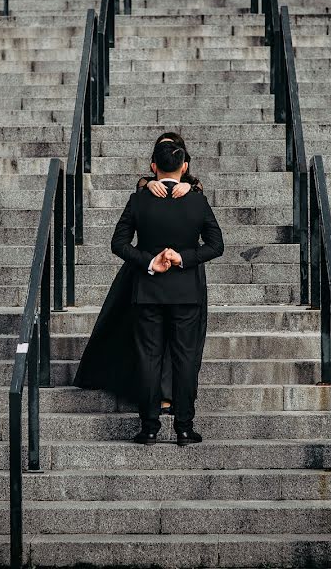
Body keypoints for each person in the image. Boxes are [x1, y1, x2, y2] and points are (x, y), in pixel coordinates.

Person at [73, 134, 207, 416]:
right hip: (146, 270)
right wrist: (149, 184)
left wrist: (187, 187)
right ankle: (153, 394)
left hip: (181, 273)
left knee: (175, 341)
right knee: (140, 334)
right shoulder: (144, 190)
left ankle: (167, 396)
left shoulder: (194, 190)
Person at [111, 139, 224, 446]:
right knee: (185, 360)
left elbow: (118, 244)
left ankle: (149, 428)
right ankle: (184, 428)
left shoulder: (139, 200)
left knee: (149, 359)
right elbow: (217, 246)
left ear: (153, 166)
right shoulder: (198, 201)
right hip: (186, 292)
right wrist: (184, 258)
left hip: (147, 291)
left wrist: (149, 261)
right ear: (184, 166)